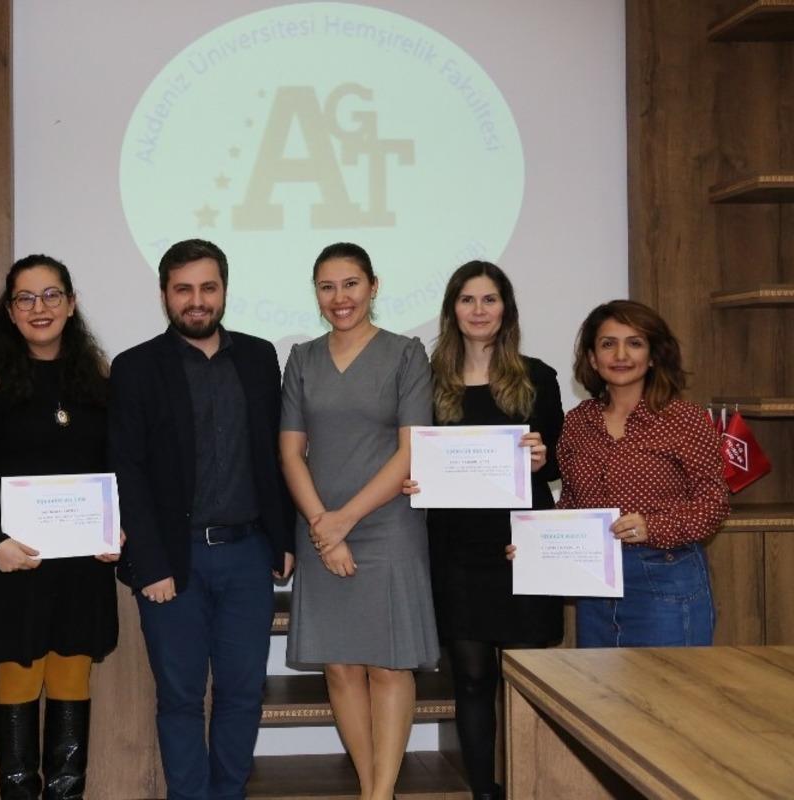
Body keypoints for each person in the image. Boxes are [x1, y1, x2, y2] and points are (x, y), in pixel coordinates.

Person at [109, 238, 294, 800]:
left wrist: (283, 538)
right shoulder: (135, 367)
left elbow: (275, 454)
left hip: (248, 555)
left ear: (224, 291)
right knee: (181, 698)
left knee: (243, 694)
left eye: (208, 288)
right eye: (183, 289)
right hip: (173, 559)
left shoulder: (260, 357)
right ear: (164, 294)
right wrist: (150, 562)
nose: (197, 300)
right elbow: (126, 470)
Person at [279, 242, 439, 800]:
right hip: (319, 523)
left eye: (350, 284)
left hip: (388, 526)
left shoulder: (406, 355)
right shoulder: (302, 359)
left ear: (373, 286)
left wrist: (341, 522)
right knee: (341, 666)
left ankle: (380, 793)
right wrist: (323, 526)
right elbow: (290, 452)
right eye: (327, 287)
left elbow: (411, 451)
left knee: (390, 665)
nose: (339, 297)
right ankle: (372, 787)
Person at [0, 254, 119, 800]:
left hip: (81, 564)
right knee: (19, 677)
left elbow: (114, 467)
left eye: (52, 295)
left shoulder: (99, 381)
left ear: (72, 304)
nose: (40, 307)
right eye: (25, 298)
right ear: (9, 311)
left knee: (73, 675)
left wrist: (114, 529)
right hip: (15, 561)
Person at [404, 261, 562, 800]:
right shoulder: (427, 380)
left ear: (506, 309)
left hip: (521, 547)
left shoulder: (538, 377)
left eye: (489, 299)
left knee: (527, 679)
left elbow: (557, 458)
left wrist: (542, 456)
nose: (478, 310)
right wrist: (412, 477)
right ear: (452, 309)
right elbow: (409, 453)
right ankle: (483, 792)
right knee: (471, 679)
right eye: (467, 299)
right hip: (456, 550)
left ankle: (533, 786)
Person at [551, 299, 728, 646]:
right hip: (595, 585)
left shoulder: (684, 419)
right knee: (597, 683)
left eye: (634, 343)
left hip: (665, 576)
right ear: (592, 358)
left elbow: (713, 504)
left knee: (668, 681)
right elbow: (571, 501)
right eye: (608, 344)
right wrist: (538, 544)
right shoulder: (577, 422)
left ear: (653, 356)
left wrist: (653, 526)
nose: (621, 355)